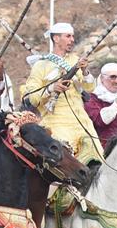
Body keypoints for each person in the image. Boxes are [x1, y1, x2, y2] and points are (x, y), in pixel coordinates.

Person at [22, 23, 102, 166]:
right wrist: (52, 88)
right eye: (68, 36)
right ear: (56, 39)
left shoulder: (75, 60)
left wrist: (85, 71)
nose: (72, 40)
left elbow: (90, 88)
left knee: (97, 160)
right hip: (56, 123)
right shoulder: (41, 65)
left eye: (72, 36)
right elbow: (33, 98)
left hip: (82, 122)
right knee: (64, 165)